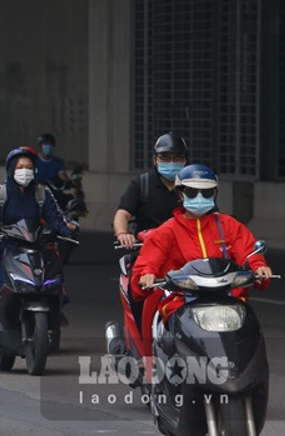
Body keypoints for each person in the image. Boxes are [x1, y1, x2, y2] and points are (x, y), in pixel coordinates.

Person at [132, 165, 273, 357]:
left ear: (214, 194)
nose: (200, 197)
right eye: (192, 192)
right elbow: (149, 260)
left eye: (206, 193)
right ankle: (168, 377)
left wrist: (259, 267)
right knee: (170, 344)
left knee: (251, 338)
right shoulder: (167, 230)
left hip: (228, 301)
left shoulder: (229, 225)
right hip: (181, 302)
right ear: (181, 195)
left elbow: (248, 252)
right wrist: (146, 274)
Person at [0, 147, 75, 339]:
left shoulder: (42, 193)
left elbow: (55, 218)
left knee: (54, 277)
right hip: (7, 246)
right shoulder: (1, 193)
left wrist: (66, 230)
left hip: (37, 245)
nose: (24, 171)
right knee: (2, 282)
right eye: (20, 167)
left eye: (29, 166)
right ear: (11, 169)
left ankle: (56, 312)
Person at [113, 132, 189, 248]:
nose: (171, 163)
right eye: (165, 158)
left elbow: (213, 215)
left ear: (185, 161)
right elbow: (122, 214)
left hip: (184, 251)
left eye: (177, 158)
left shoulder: (194, 185)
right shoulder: (141, 184)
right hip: (147, 248)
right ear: (155, 160)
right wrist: (123, 233)